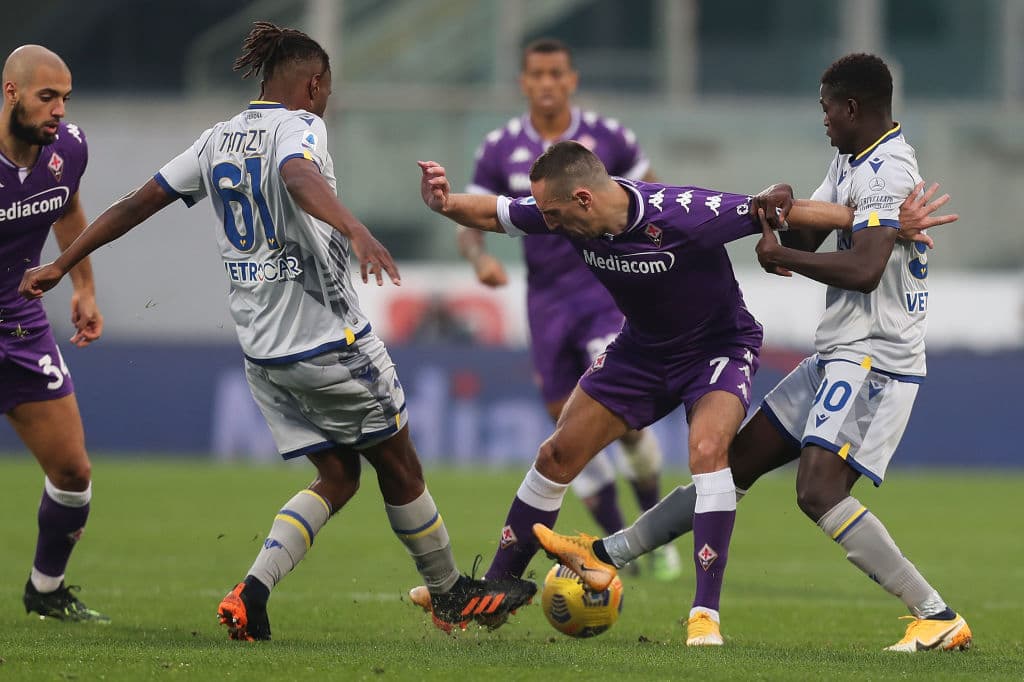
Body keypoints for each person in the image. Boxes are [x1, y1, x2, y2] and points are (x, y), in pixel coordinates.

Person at [19, 21, 536, 641]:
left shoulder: (216, 138)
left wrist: (61, 262)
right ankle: (452, 592)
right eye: (327, 89)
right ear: (313, 83)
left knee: (340, 477)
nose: (327, 101)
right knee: (400, 464)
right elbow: (296, 174)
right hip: (328, 338)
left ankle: (252, 593)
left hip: (263, 354)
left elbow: (134, 204)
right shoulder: (303, 126)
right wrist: (355, 228)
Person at [535, 53, 971, 653]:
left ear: (851, 107)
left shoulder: (890, 170)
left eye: (825, 108)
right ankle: (605, 553)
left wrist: (785, 256)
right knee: (730, 467)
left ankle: (936, 614)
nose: (821, 120)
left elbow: (866, 270)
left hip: (876, 356)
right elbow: (805, 234)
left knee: (818, 490)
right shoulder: (852, 160)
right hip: (839, 352)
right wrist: (772, 210)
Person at [418, 141, 865, 644]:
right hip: (641, 352)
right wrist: (446, 202)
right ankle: (498, 588)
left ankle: (704, 616)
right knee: (557, 452)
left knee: (708, 452)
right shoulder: (560, 211)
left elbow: (791, 210)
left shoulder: (685, 213)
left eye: (556, 215)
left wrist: (886, 224)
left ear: (584, 199)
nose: (550, 226)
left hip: (716, 347)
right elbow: (499, 213)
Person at [456, 38, 680, 579]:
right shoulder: (499, 147)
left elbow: (653, 196)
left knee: (618, 419)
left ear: (571, 79)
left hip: (607, 292)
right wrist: (479, 258)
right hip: (546, 301)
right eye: (538, 74)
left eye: (557, 73)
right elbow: (473, 219)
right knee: (565, 427)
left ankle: (650, 532)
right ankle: (617, 543)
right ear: (524, 83)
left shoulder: (608, 137)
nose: (548, 83)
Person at [0, 45, 107, 623]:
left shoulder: (67, 148)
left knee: (72, 473)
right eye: (48, 97)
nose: (60, 110)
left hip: (21, 328)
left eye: (65, 97)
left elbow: (66, 209)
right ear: (11, 93)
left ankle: (46, 590)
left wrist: (83, 286)